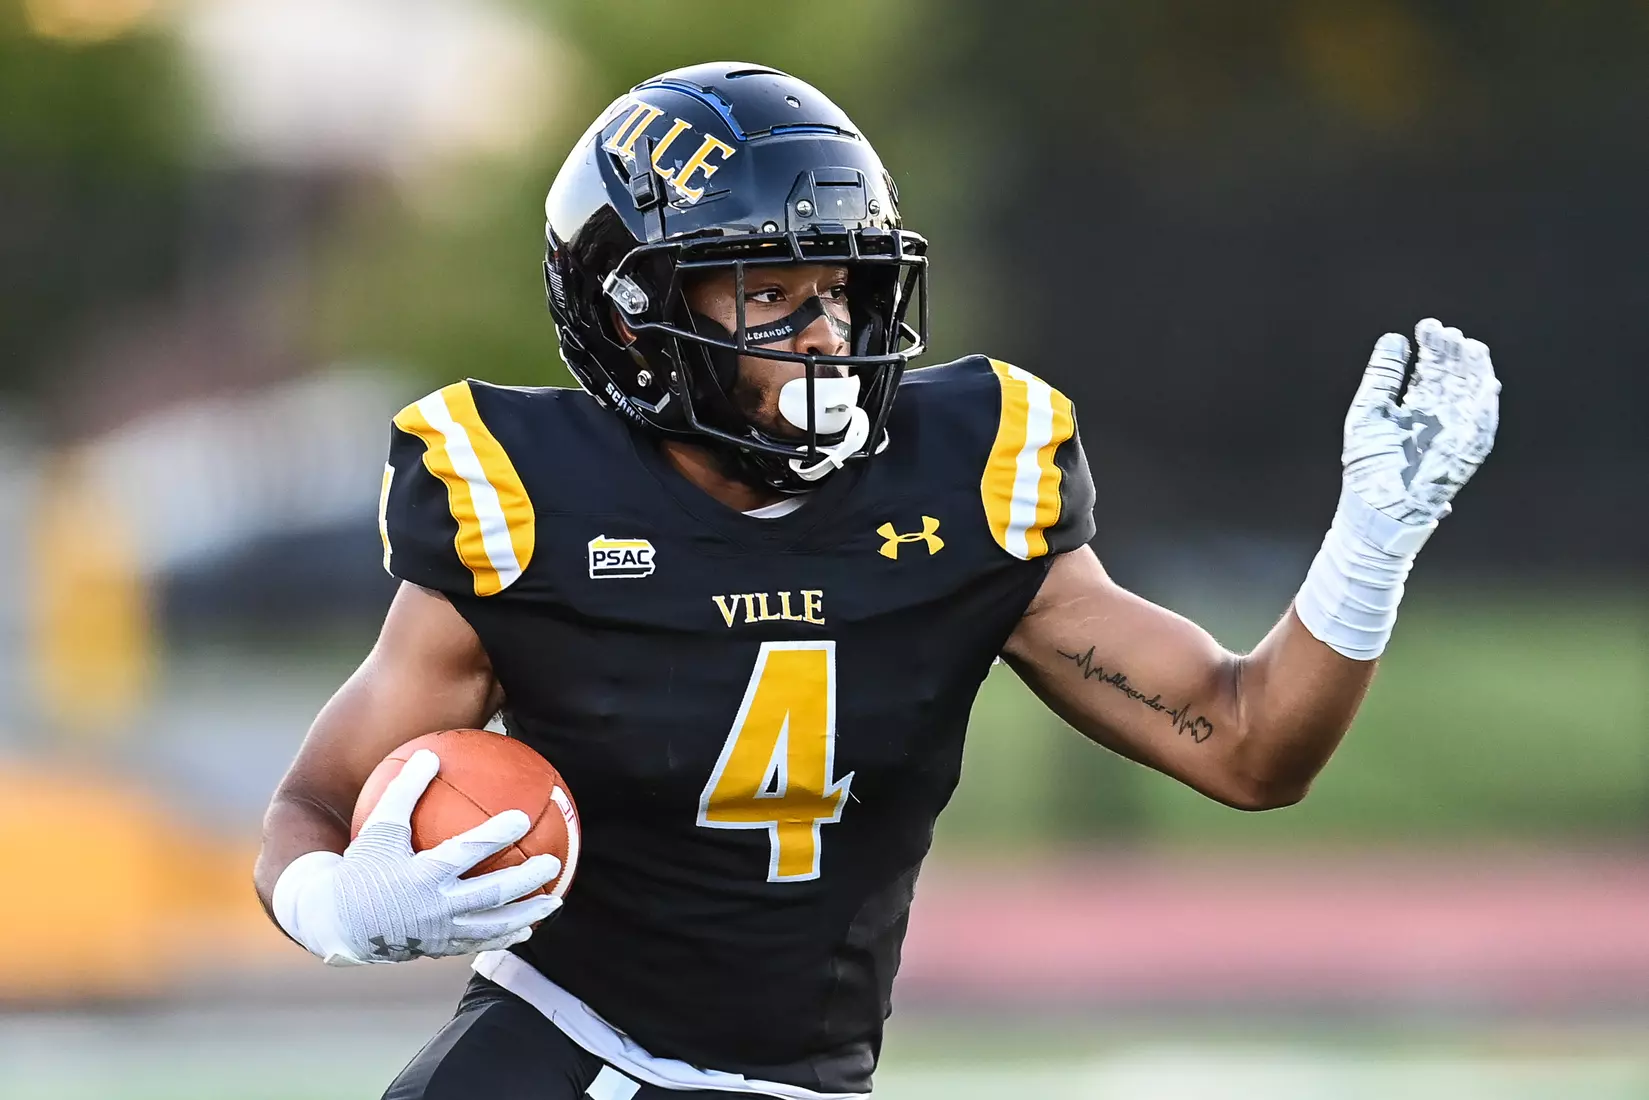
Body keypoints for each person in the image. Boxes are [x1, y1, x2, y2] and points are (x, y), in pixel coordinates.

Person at [252, 62, 1500, 1100]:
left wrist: (1370, 541)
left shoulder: (964, 478)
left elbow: (1246, 746)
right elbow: (312, 799)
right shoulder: (528, 501)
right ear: (632, 314)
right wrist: (336, 906)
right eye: (769, 295)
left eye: (838, 290)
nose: (824, 335)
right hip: (561, 1050)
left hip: (807, 1078)